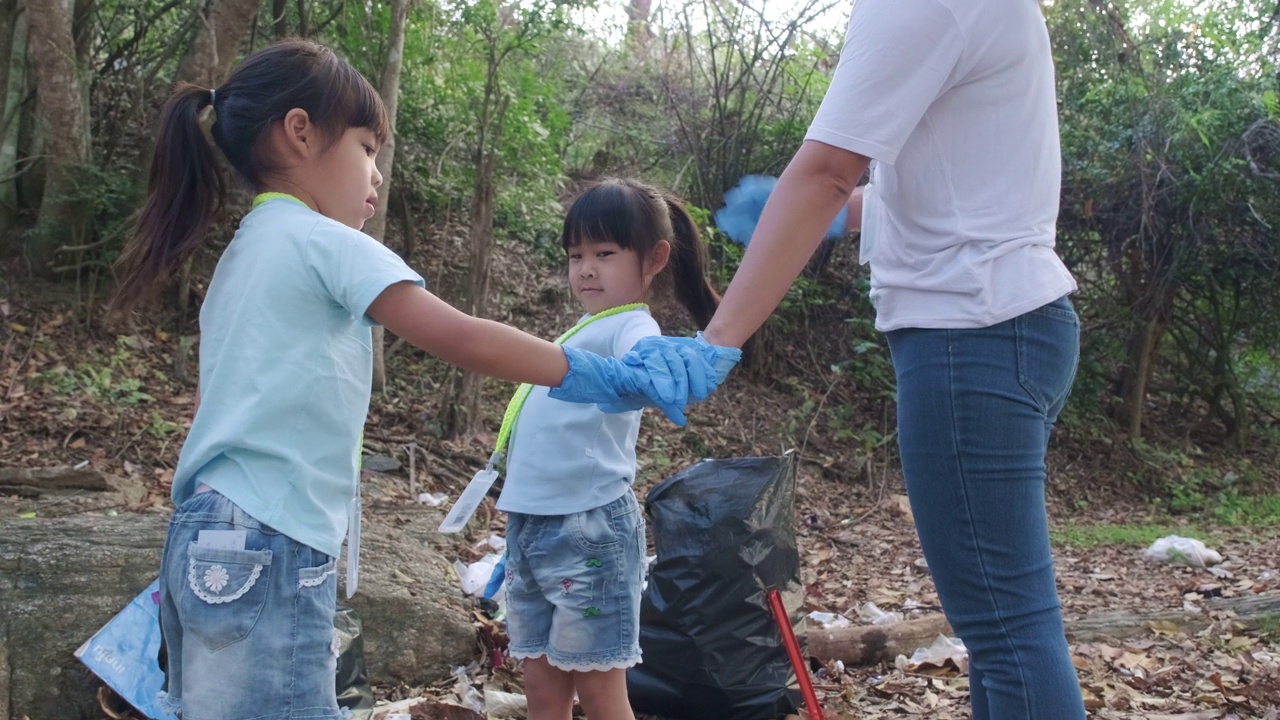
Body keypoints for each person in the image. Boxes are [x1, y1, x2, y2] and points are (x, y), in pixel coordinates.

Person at [108, 40, 740, 720]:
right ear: (299, 133)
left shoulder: (241, 254)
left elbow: (211, 400)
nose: (376, 173)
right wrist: (590, 374)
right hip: (272, 534)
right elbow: (461, 336)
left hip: (202, 530)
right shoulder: (325, 242)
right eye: (365, 147)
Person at [645, 1, 1087, 717]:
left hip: (968, 336)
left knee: (1009, 635)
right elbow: (960, 179)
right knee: (1001, 630)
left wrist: (717, 339)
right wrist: (848, 212)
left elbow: (824, 169)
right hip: (1013, 325)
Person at [495, 179, 721, 720]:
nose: (586, 269)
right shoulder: (584, 329)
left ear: (654, 258)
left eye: (605, 253)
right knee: (541, 683)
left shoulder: (631, 326)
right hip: (532, 526)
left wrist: (657, 365)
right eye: (576, 256)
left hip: (589, 530)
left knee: (599, 688)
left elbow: (642, 353)